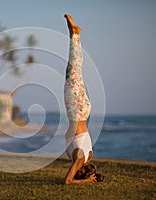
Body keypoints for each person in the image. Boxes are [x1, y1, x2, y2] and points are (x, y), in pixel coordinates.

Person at [63, 14, 103, 184]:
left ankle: (73, 34)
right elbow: (67, 181)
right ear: (83, 171)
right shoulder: (80, 159)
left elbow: (89, 154)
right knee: (73, 71)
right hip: (78, 111)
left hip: (81, 111)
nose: (74, 173)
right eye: (79, 174)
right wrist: (87, 181)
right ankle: (75, 34)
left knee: (72, 71)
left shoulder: (85, 156)